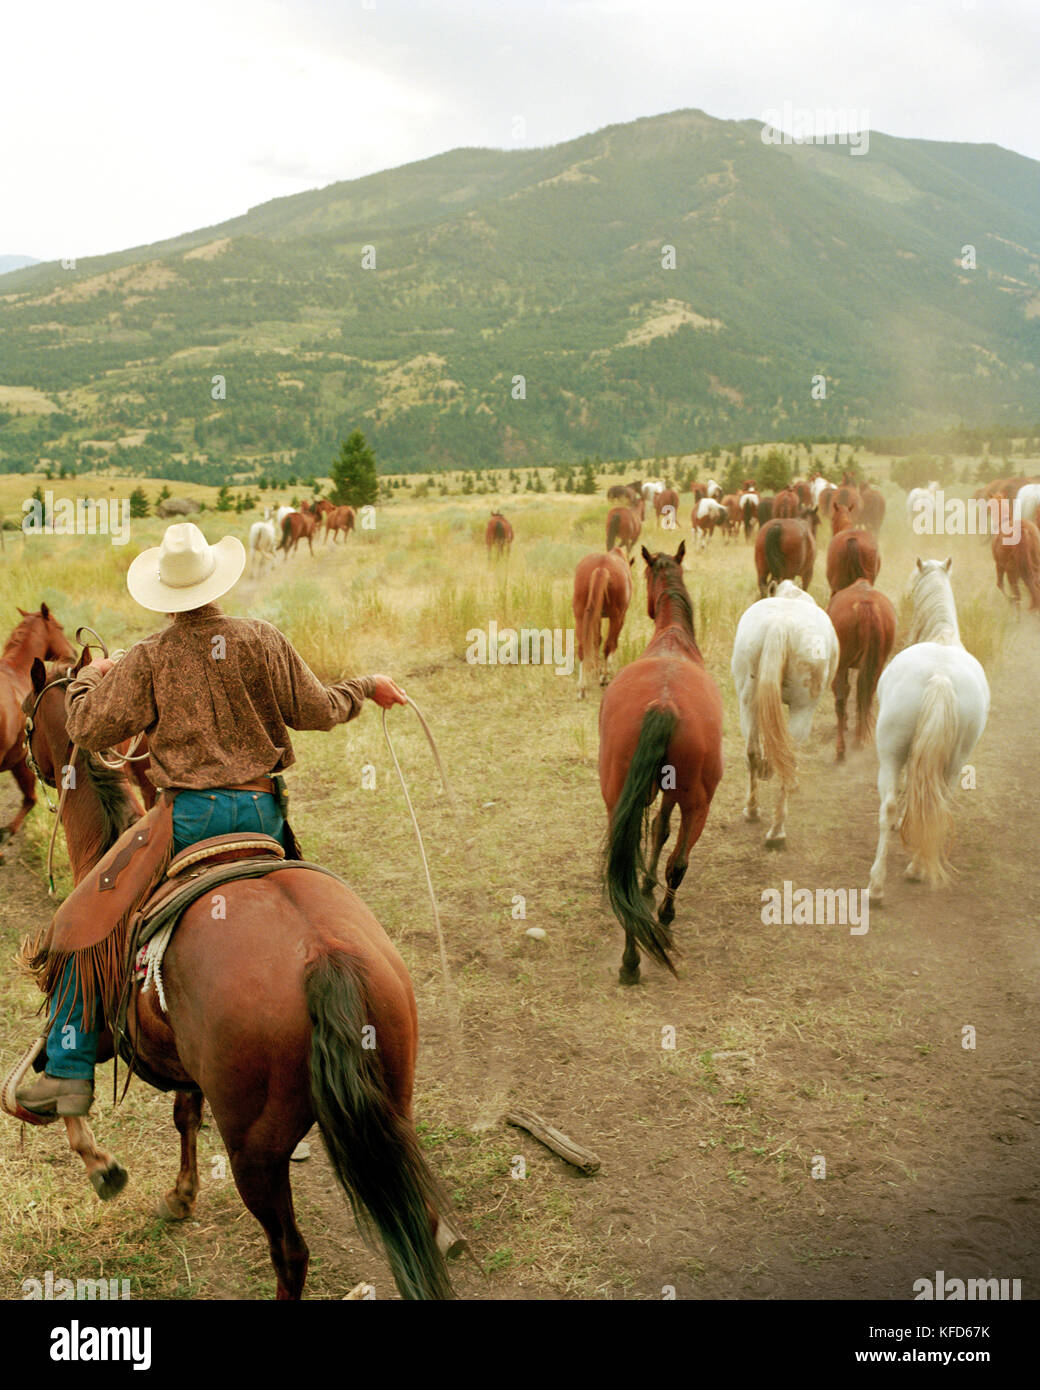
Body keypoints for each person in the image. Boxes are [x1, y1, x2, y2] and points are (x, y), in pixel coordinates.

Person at [17, 521, 406, 1119]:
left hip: (190, 822)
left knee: (80, 920)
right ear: (215, 582)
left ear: (164, 594)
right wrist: (368, 686)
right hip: (264, 816)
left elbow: (89, 731)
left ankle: (68, 1070)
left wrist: (85, 684)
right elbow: (320, 710)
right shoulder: (262, 638)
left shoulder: (150, 656)